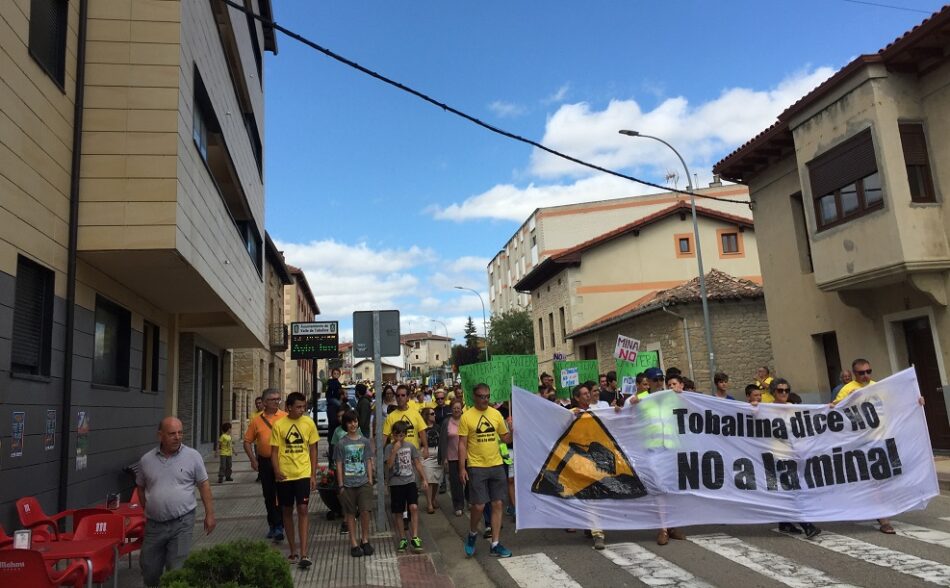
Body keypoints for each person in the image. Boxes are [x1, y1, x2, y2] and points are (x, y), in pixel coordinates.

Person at [830, 358, 923, 534]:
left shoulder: (878, 386)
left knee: (888, 475)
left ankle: (878, 508)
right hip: (861, 442)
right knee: (876, 480)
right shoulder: (847, 390)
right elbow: (833, 411)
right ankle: (884, 519)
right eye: (861, 373)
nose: (865, 376)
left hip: (882, 438)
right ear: (854, 374)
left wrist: (916, 402)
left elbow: (895, 403)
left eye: (868, 371)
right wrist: (839, 404)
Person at [136, 418, 215, 587]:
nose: (178, 437)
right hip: (154, 525)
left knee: (177, 569)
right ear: (160, 435)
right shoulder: (146, 460)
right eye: (172, 433)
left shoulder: (193, 456)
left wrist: (210, 514)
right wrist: (149, 508)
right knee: (149, 568)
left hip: (182, 522)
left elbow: (204, 485)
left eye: (180, 433)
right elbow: (140, 488)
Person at [460, 383, 513, 558]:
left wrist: (511, 429)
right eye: (481, 396)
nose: (485, 399)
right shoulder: (467, 417)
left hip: (496, 464)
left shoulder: (496, 414)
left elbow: (505, 438)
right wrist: (462, 467)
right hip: (476, 466)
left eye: (487, 396)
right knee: (479, 505)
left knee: (498, 504)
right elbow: (462, 444)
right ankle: (472, 533)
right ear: (474, 397)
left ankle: (495, 544)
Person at [271, 392, 320, 568]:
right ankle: (292, 550)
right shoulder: (279, 425)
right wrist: (276, 471)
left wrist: (313, 474)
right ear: (289, 407)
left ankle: (304, 552)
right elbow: (274, 451)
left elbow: (313, 449)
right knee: (286, 511)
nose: (302, 410)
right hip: (284, 475)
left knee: (303, 509)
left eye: (303, 406)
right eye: (298, 407)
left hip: (302, 474)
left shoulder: (308, 423)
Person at [771, 379, 821, 538]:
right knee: (792, 489)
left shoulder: (792, 409)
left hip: (794, 454)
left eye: (786, 390)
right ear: (773, 392)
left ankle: (784, 522)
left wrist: (830, 408)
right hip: (776, 455)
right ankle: (806, 525)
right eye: (780, 390)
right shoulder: (765, 409)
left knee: (791, 488)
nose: (784, 393)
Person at [243, 388, 287, 542]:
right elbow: (247, 442)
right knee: (269, 494)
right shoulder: (256, 420)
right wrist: (253, 460)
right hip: (265, 461)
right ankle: (273, 524)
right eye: (273, 399)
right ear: (265, 402)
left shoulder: (285, 417)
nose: (277, 402)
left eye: (278, 399)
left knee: (282, 494)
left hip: (282, 461)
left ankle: (280, 525)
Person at [570, 383, 608, 550]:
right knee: (588, 494)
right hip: (580, 460)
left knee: (595, 495)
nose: (587, 396)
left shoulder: (598, 410)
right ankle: (594, 529)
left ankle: (595, 528)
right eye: (583, 394)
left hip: (597, 459)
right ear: (577, 398)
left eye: (588, 393)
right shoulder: (571, 413)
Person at [334, 412, 375, 558]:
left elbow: (368, 460)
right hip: (348, 484)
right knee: (350, 514)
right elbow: (339, 464)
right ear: (345, 424)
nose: (353, 425)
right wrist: (340, 484)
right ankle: (353, 542)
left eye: (355, 421)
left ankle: (365, 539)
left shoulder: (364, 441)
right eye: (350, 422)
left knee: (365, 511)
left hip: (363, 482)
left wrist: (370, 479)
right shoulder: (341, 443)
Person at [385, 421, 427, 553]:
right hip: (396, 482)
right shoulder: (388, 448)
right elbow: (389, 465)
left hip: (410, 480)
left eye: (403, 435)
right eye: (397, 435)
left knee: (413, 507)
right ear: (393, 435)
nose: (400, 438)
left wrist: (423, 478)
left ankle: (415, 536)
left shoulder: (410, 446)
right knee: (398, 511)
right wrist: (394, 450)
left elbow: (417, 463)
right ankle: (402, 538)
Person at [383, 384, 429, 454]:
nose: (400, 397)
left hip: (413, 453)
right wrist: (378, 452)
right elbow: (385, 436)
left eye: (403, 395)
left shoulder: (415, 413)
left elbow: (422, 432)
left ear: (408, 397)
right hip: (396, 453)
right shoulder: (390, 416)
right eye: (398, 396)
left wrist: (426, 448)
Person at [440, 398, 466, 516]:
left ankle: (470, 499)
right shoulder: (446, 422)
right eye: (454, 408)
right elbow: (443, 440)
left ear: (462, 409)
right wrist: (444, 457)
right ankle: (458, 505)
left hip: (467, 456)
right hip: (452, 457)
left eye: (458, 408)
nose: (456, 410)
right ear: (451, 409)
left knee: (470, 481)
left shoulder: (466, 420)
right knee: (456, 484)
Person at [420, 408, 443, 513]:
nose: (435, 415)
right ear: (426, 416)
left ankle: (433, 499)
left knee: (436, 480)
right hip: (426, 455)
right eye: (432, 413)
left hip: (437, 454)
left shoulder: (438, 427)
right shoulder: (422, 428)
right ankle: (429, 503)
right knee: (428, 480)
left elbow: (442, 440)